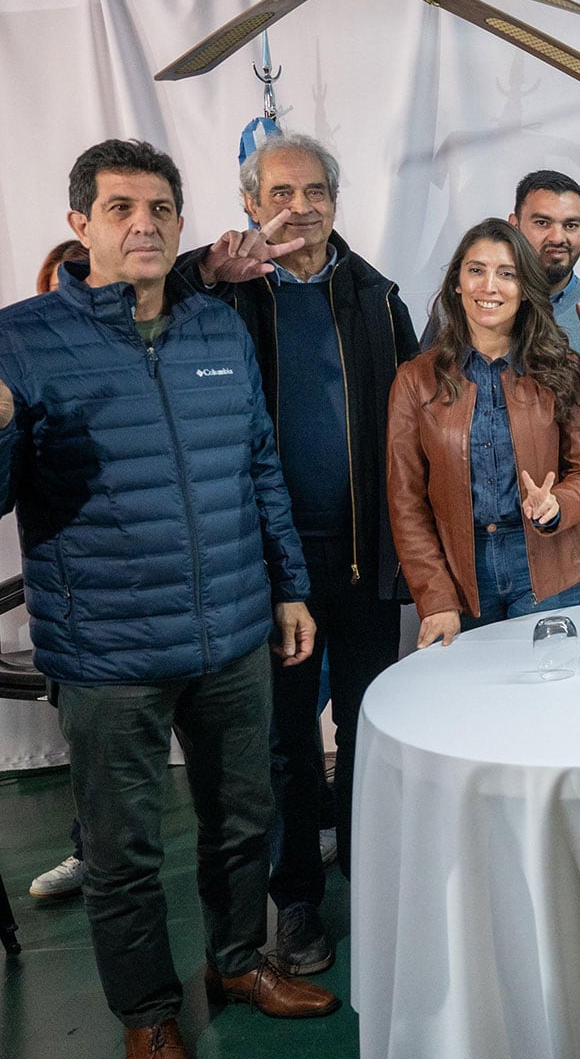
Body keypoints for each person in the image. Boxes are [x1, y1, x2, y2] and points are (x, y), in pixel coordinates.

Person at [0, 139, 337, 1057]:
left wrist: (289, 589)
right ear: (80, 225)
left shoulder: (216, 327)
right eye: (120, 209)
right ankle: (148, 1016)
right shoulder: (20, 339)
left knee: (244, 822)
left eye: (159, 209)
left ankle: (236, 960)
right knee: (124, 854)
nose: (142, 225)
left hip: (231, 633)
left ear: (181, 224)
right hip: (108, 654)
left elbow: (259, 465)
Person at [171, 131, 417, 974]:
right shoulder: (221, 297)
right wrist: (207, 267)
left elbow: (414, 423)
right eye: (280, 193)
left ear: (336, 203)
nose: (299, 208)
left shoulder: (379, 298)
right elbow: (125, 293)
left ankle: (369, 872)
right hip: (267, 563)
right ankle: (298, 901)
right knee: (283, 744)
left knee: (368, 728)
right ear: (249, 204)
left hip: (363, 558)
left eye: (314, 192)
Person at [388, 219, 580, 647]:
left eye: (507, 274)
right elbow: (406, 501)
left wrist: (556, 504)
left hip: (550, 564)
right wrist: (435, 596)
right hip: (460, 576)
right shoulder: (416, 379)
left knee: (552, 706)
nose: (490, 286)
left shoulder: (561, 368)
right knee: (478, 709)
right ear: (457, 283)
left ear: (525, 288)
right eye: (476, 270)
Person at [504, 169, 580, 567]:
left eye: (570, 224)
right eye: (542, 222)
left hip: (573, 520)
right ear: (515, 225)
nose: (557, 237)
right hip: (480, 524)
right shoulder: (474, 304)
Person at [25, 236, 94, 903]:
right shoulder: (25, 363)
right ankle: (88, 852)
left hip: (187, 609)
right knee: (96, 757)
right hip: (80, 611)